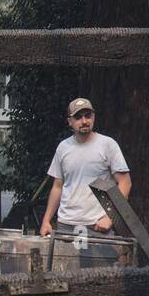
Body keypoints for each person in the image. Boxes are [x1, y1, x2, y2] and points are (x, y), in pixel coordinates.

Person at [39, 97, 131, 238]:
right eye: (78, 117)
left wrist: (110, 217)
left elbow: (125, 183)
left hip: (98, 226)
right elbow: (57, 186)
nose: (84, 121)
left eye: (88, 116)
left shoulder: (108, 145)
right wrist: (46, 221)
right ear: (70, 122)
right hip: (66, 225)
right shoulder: (63, 147)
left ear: (93, 117)